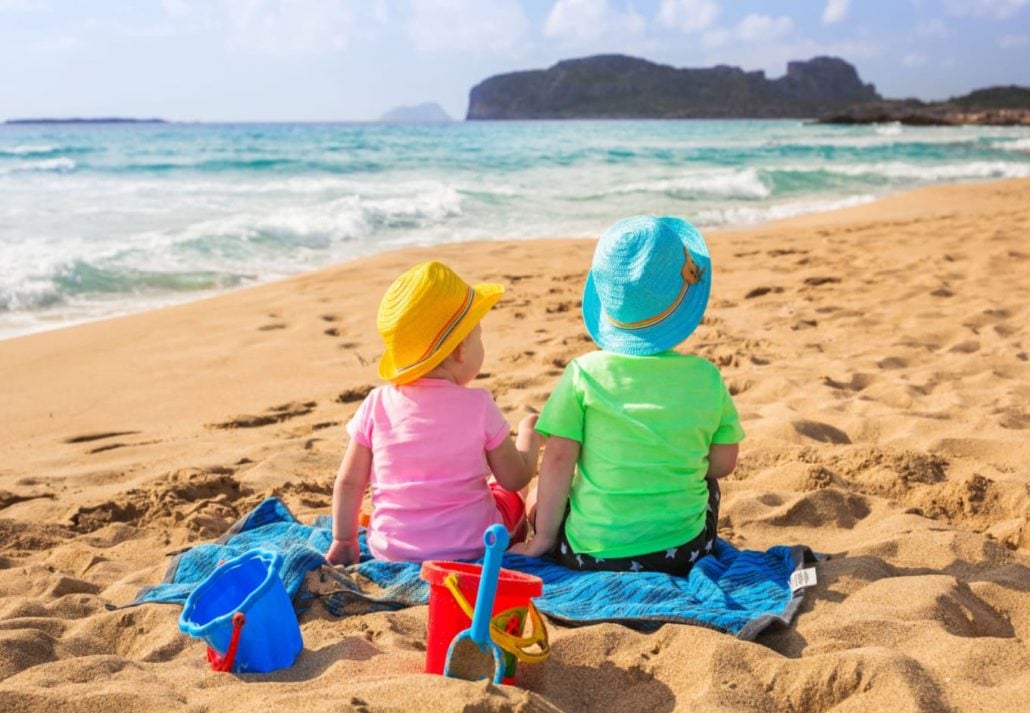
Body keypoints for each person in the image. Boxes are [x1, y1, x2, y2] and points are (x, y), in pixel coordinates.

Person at [510, 215, 744, 575]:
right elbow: (723, 465)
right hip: (686, 552)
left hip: (592, 556)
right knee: (705, 481)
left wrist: (543, 539)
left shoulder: (583, 373)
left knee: (544, 493)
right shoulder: (706, 377)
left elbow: (558, 460)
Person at [326, 260, 541, 566]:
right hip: (473, 549)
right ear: (460, 351)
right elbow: (513, 477)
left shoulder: (376, 403)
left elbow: (349, 483)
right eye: (478, 336)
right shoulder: (479, 404)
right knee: (513, 494)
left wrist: (344, 539)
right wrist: (529, 440)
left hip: (391, 552)